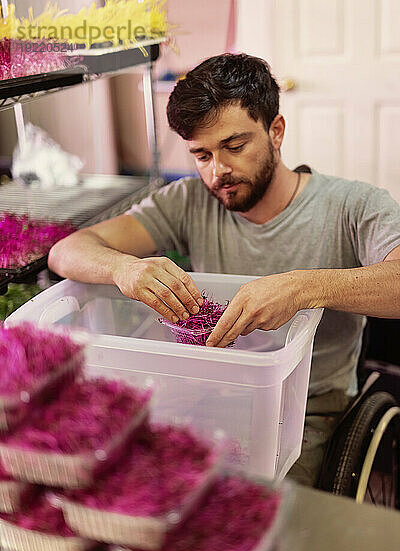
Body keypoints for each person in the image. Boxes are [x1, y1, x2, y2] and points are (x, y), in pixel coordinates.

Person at [49, 53, 400, 487]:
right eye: (201, 154)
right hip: (203, 396)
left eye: (235, 146)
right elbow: (67, 251)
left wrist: (302, 287)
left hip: (303, 414)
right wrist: (123, 268)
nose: (219, 171)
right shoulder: (187, 201)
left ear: (276, 132)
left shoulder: (354, 206)